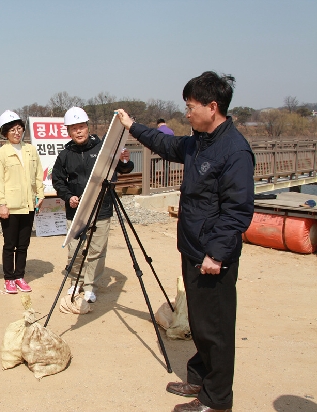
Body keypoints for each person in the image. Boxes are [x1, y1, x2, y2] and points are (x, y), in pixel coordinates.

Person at [116, 71, 255, 412]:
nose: (187, 112)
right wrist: (133, 127)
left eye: (191, 106)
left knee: (216, 329)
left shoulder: (234, 150)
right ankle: (199, 376)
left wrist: (217, 254)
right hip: (193, 248)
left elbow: (237, 211)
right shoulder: (198, 142)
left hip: (212, 256)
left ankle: (216, 400)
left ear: (212, 107)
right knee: (199, 322)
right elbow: (166, 143)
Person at [52, 107, 133, 303]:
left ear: (88, 127)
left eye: (81, 127)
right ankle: (75, 282)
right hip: (76, 210)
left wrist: (124, 160)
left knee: (96, 250)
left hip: (102, 208)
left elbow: (124, 168)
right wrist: (68, 196)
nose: (78, 131)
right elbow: (58, 181)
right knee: (75, 250)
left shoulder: (103, 147)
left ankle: (90, 286)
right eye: (74, 128)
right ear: (68, 132)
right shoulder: (65, 154)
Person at [0, 110, 44, 294]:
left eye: (19, 128)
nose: (17, 132)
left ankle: (19, 275)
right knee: (9, 244)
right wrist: (2, 204)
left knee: (23, 244)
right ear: (5, 133)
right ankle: (8, 278)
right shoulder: (1, 154)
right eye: (12, 129)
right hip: (11, 207)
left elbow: (38, 174)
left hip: (29, 204)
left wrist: (40, 195)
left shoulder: (30, 150)